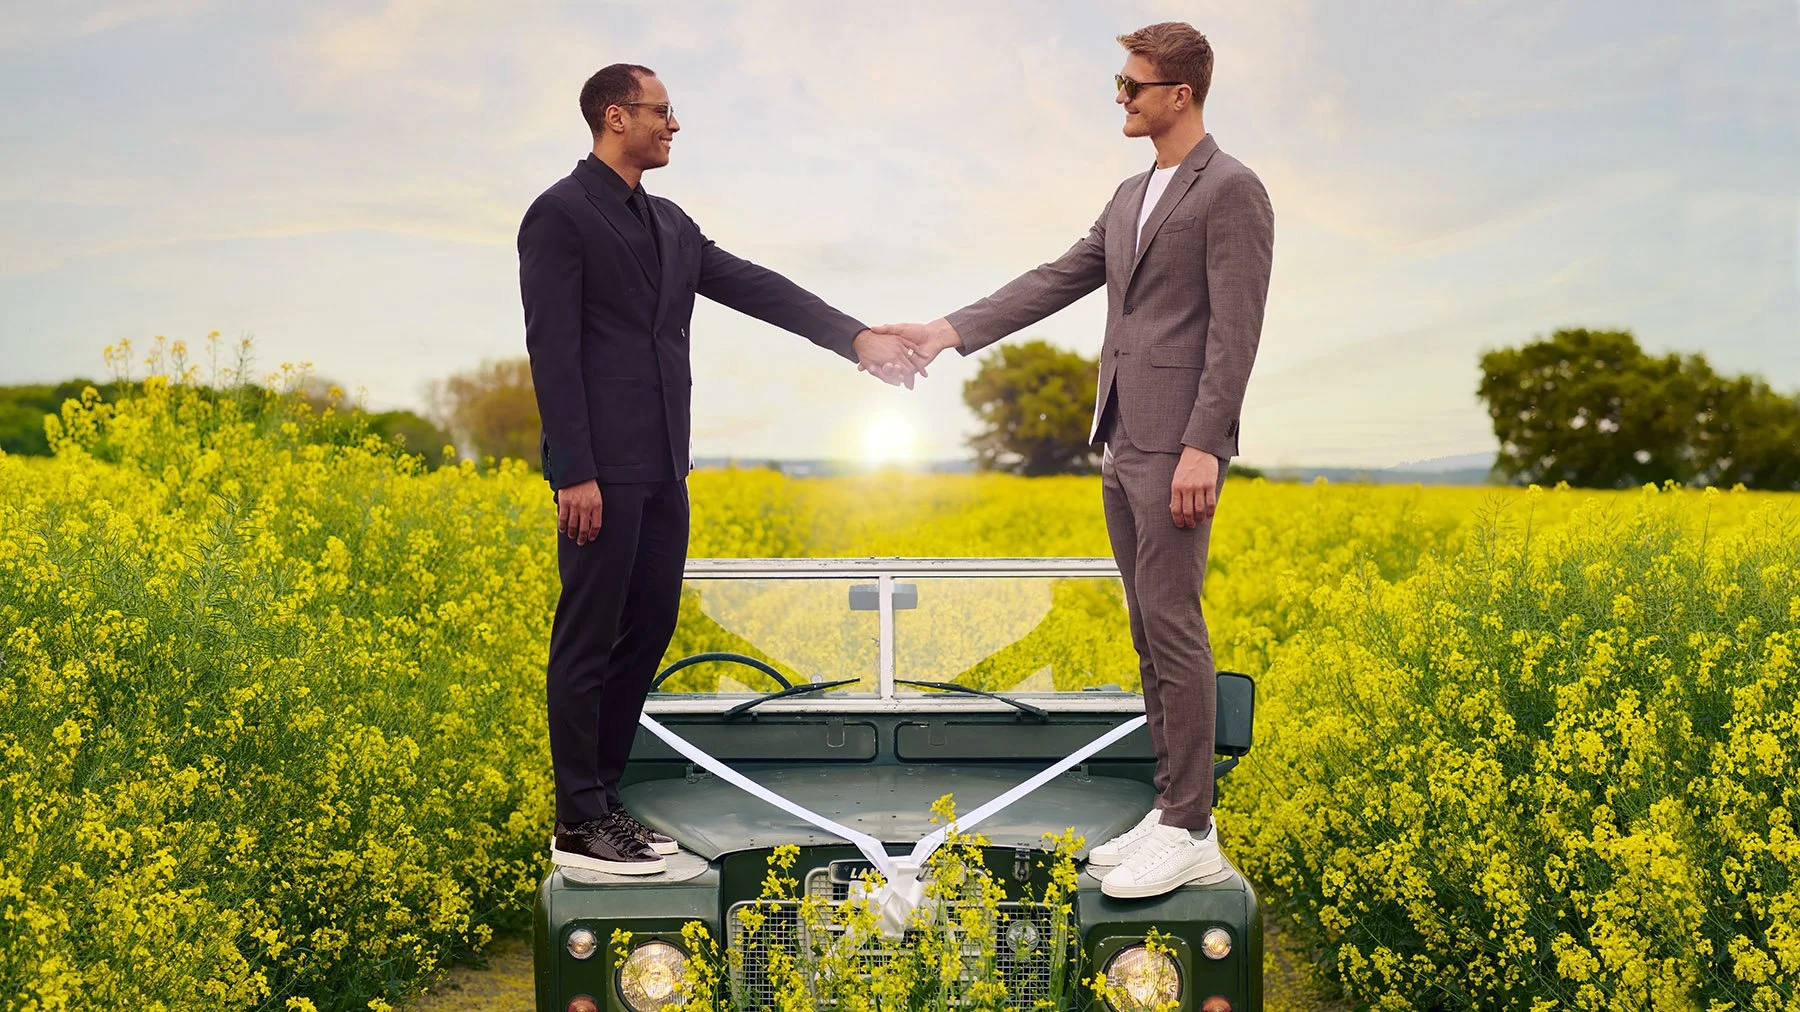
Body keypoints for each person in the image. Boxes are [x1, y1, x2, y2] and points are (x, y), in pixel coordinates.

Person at [879, 22, 1274, 898]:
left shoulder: (1233, 190)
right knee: (1147, 630)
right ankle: (1171, 809)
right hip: (1121, 436)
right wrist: (945, 333)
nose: (1121, 99)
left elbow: (1236, 332)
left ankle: (1192, 828)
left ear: (1181, 94)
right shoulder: (1131, 194)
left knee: (1175, 624)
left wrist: (1204, 443)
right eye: (1120, 84)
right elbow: (1057, 277)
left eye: (1134, 86)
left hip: (1179, 445)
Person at [520, 63, 915, 875]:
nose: (674, 125)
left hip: (666, 466)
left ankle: (605, 800)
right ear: (616, 116)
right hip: (602, 472)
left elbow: (757, 287)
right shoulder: (559, 215)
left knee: (650, 626)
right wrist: (574, 471)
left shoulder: (671, 223)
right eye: (663, 111)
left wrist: (856, 340)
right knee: (587, 637)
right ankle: (577, 818)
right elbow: (551, 351)